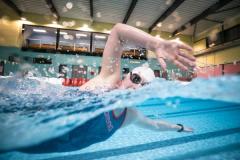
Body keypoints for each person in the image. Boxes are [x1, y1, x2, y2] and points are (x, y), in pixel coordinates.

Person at [21, 23, 195, 153]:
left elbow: (156, 125)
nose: (135, 87)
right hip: (24, 123)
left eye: (143, 86)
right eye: (135, 78)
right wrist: (155, 44)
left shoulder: (128, 116)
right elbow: (118, 32)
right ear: (127, 76)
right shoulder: (108, 82)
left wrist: (178, 127)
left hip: (28, 144)